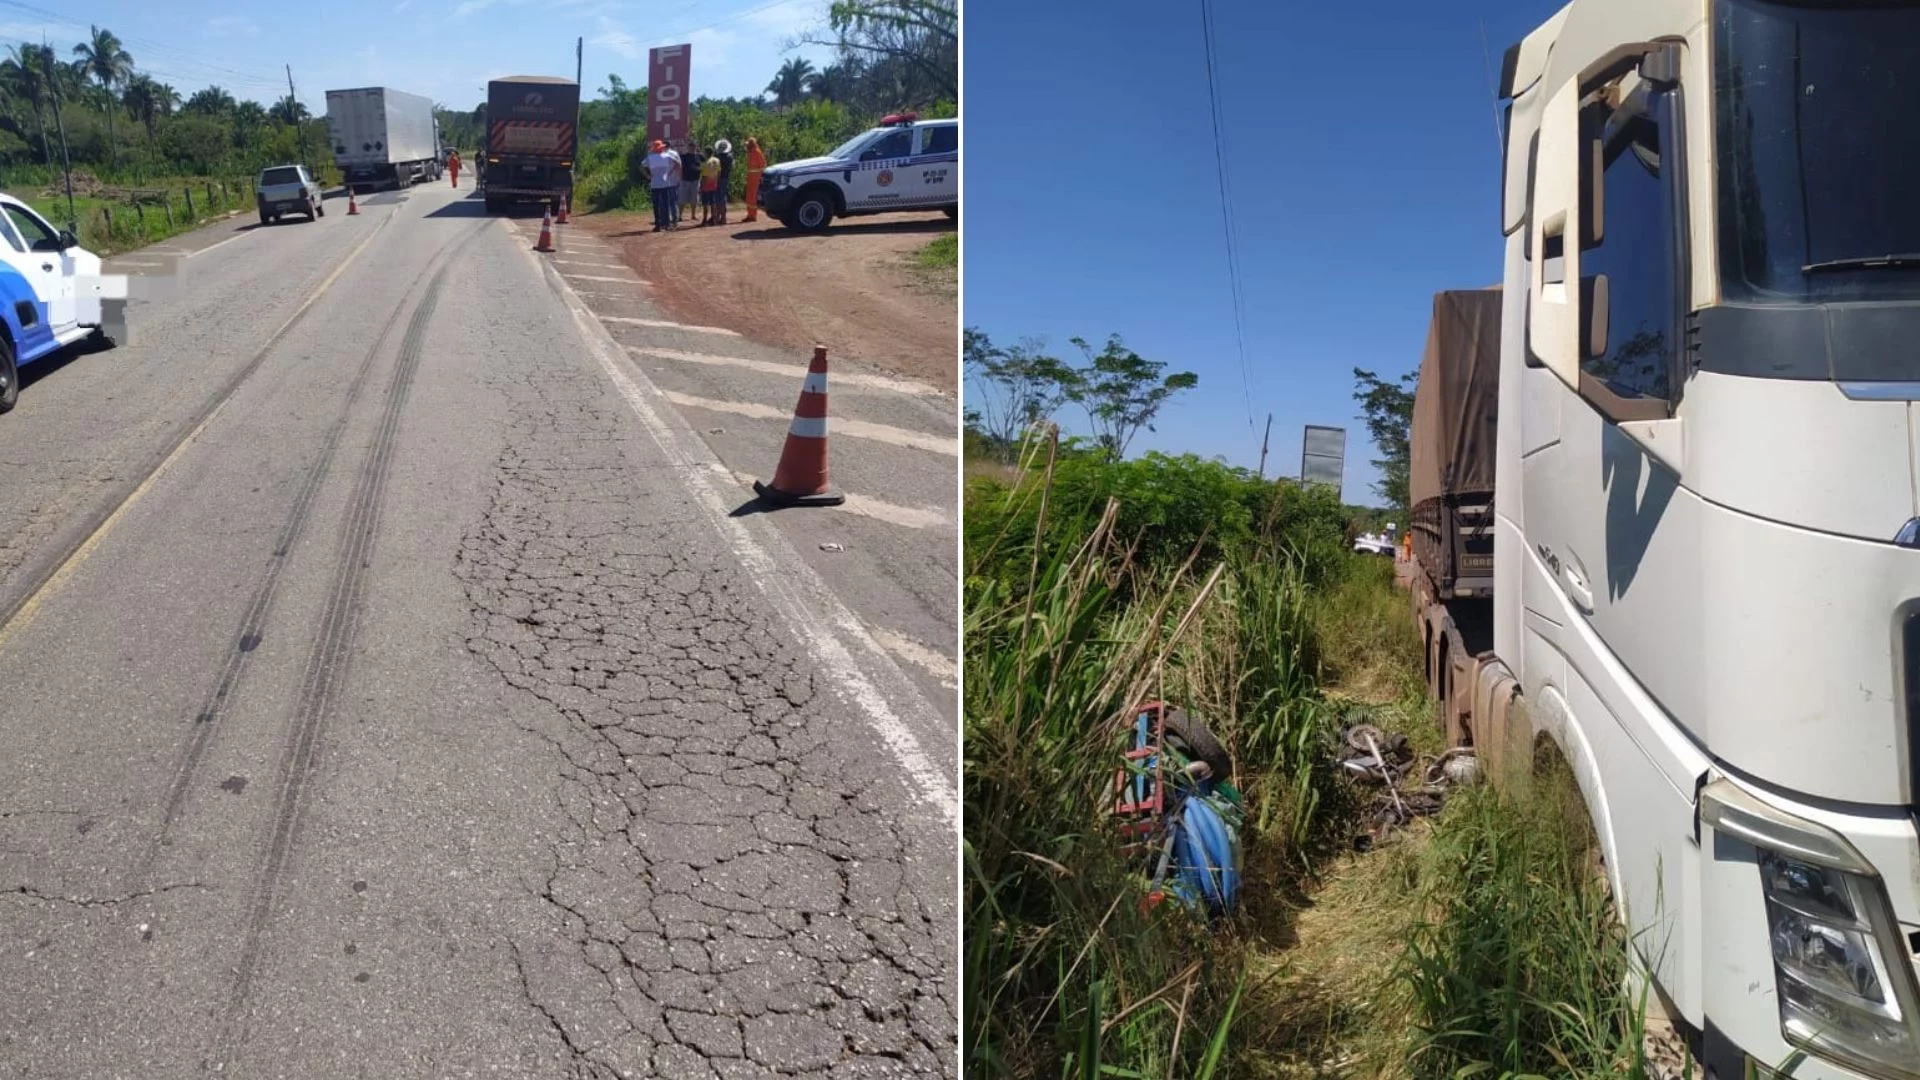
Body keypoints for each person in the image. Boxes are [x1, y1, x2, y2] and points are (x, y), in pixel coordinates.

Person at [644, 139, 679, 232]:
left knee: (656, 205)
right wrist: (669, 173)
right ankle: (667, 224)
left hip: (655, 184)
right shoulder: (667, 156)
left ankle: (658, 224)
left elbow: (641, 166)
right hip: (665, 183)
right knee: (666, 204)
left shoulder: (650, 157)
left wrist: (648, 175)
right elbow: (677, 163)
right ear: (661, 148)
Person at [743, 137, 765, 222]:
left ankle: (753, 216)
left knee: (753, 196)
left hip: (755, 177)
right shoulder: (750, 153)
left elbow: (762, 165)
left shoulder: (757, 152)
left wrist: (760, 177)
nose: (747, 146)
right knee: (749, 196)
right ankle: (749, 215)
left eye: (748, 144)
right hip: (750, 177)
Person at [679, 139, 701, 227]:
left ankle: (693, 215)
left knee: (694, 199)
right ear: (688, 147)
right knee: (682, 199)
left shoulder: (700, 156)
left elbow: (704, 166)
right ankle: (679, 216)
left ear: (696, 147)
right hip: (685, 180)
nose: (692, 148)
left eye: (694, 147)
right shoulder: (683, 156)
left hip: (695, 180)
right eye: (690, 147)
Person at [698, 148, 722, 226]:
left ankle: (704, 220)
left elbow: (704, 176)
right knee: (713, 203)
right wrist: (717, 182)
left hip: (706, 185)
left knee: (705, 203)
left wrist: (701, 186)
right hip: (714, 184)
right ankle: (714, 220)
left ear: (707, 153)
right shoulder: (717, 160)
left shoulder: (706, 163)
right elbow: (719, 172)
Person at [713, 139, 734, 225]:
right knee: (723, 197)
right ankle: (723, 218)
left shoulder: (717, 157)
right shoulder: (730, 157)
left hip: (718, 178)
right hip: (726, 178)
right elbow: (732, 167)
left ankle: (719, 217)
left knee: (718, 198)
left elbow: (716, 169)